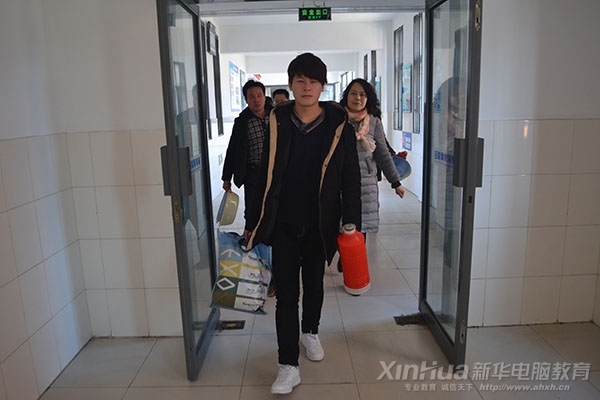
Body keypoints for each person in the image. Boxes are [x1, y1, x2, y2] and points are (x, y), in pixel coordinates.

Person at [245, 53, 361, 395]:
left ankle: (310, 331)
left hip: (320, 223)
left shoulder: (339, 127)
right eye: (300, 81)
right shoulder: (277, 122)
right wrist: (253, 221)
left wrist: (351, 220)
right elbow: (263, 175)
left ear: (322, 86)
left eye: (313, 81)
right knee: (285, 295)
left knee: (314, 285)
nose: (306, 87)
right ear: (291, 84)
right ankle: (287, 365)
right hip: (283, 222)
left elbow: (351, 177)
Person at [338, 78, 405, 271]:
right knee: (339, 222)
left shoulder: (373, 122)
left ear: (368, 99)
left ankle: (352, 261)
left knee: (362, 225)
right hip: (339, 181)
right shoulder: (337, 119)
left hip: (365, 182)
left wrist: (395, 182)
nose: (357, 98)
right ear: (347, 96)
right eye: (353, 93)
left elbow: (383, 154)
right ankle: (343, 252)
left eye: (362, 94)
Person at [221, 80, 273, 221]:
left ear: (264, 97)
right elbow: (233, 149)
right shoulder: (242, 122)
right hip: (253, 173)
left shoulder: (276, 117)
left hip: (275, 171)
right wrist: (226, 177)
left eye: (259, 95)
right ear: (246, 100)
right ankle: (251, 232)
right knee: (252, 209)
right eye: (251, 96)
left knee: (275, 207)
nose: (256, 100)